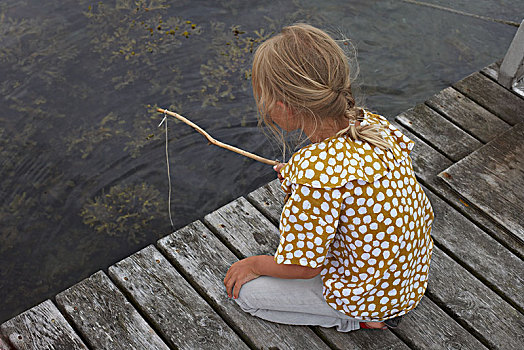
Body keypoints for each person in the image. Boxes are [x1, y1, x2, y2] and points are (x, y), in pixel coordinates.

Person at [223, 23, 434, 331]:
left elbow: (305, 267)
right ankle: (372, 308)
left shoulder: (315, 174)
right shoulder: (370, 125)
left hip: (370, 295)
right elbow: (348, 184)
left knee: (247, 295)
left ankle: (354, 319)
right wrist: (301, 177)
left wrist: (254, 264)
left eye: (266, 100)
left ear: (284, 107)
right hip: (406, 277)